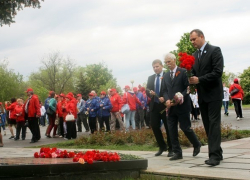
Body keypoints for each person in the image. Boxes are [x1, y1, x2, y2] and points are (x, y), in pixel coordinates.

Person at [189, 29, 224, 166]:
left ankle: (214, 156)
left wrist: (199, 80)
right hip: (202, 96)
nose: (192, 42)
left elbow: (217, 72)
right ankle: (218, 153)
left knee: (214, 125)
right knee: (208, 125)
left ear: (202, 37)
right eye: (191, 40)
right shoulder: (194, 55)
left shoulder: (214, 50)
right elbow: (194, 73)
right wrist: (190, 79)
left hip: (214, 94)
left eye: (194, 39)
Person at [162, 53, 201, 160]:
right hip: (171, 107)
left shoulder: (183, 72)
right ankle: (177, 152)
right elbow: (164, 90)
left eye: (169, 61)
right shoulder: (165, 75)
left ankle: (196, 144)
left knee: (185, 128)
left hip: (182, 106)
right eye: (166, 62)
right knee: (171, 130)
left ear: (174, 60)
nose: (167, 64)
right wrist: (167, 100)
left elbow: (188, 88)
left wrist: (179, 97)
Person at [146, 59, 173, 157]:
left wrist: (165, 98)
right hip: (154, 106)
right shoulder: (150, 78)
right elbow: (147, 90)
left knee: (168, 127)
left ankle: (171, 148)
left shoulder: (167, 75)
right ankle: (162, 146)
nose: (155, 69)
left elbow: (171, 89)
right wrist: (151, 93)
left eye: (157, 66)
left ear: (161, 66)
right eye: (153, 67)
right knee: (154, 126)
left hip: (165, 105)